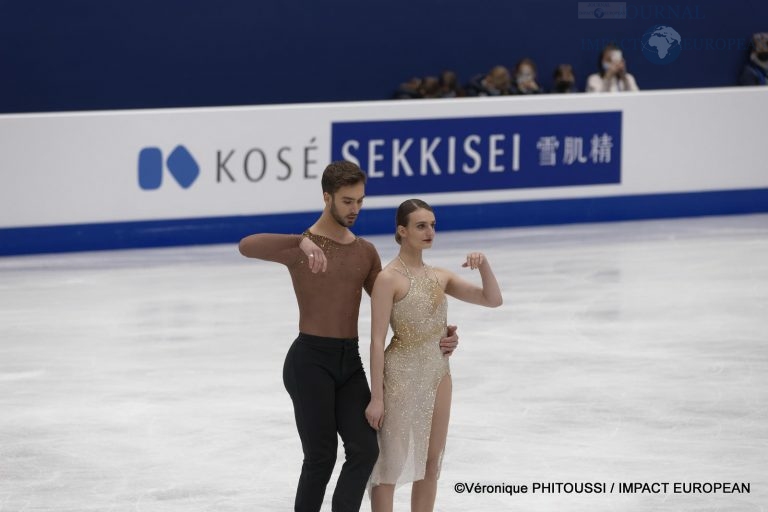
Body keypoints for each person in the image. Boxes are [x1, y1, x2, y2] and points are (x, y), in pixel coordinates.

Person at [238, 162, 458, 512]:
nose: (355, 209)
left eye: (359, 201)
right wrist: (303, 242)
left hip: (349, 362)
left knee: (366, 450)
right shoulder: (301, 247)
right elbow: (246, 245)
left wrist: (436, 331)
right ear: (327, 197)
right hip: (310, 361)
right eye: (347, 201)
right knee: (320, 457)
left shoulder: (365, 251)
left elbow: (397, 304)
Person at [365, 199, 502, 512]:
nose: (430, 232)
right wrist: (377, 397)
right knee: (391, 463)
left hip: (439, 374)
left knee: (430, 460)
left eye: (433, 225)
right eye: (421, 226)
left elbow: (492, 299)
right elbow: (376, 340)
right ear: (402, 231)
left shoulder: (440, 276)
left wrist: (484, 266)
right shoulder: (388, 279)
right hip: (399, 374)